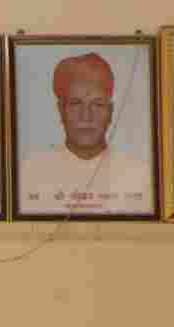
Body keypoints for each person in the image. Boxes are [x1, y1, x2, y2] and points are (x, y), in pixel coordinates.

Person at [19, 50, 154, 211]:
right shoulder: (31, 172)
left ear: (110, 112)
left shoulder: (140, 175)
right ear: (61, 110)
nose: (86, 116)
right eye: (76, 104)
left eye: (97, 105)